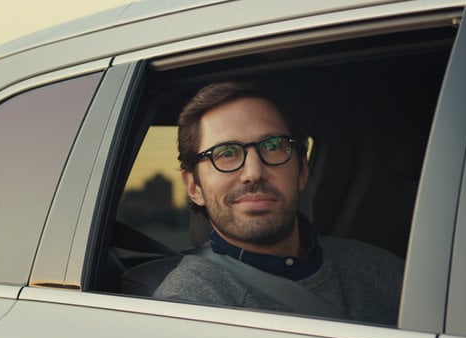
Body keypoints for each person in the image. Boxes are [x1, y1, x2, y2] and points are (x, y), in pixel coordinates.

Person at [153, 82, 404, 325]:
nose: (254, 172)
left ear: (303, 171)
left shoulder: (382, 269)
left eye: (273, 146)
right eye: (226, 153)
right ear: (194, 187)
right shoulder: (188, 307)